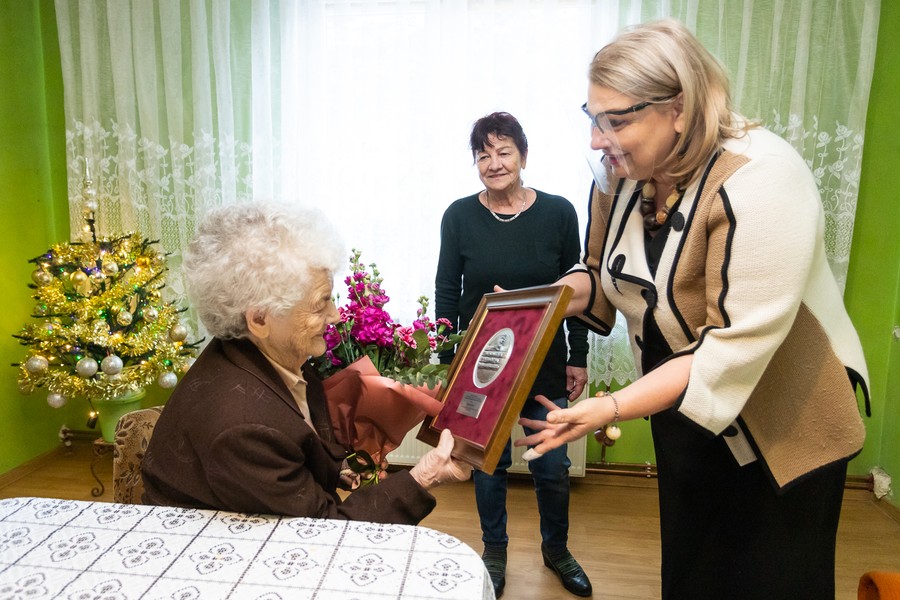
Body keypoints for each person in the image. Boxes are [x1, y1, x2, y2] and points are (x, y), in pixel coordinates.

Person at [516, 19, 869, 600]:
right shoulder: (621, 175)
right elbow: (600, 274)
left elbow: (729, 347)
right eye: (593, 118)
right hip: (683, 407)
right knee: (693, 572)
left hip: (783, 422)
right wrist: (538, 306)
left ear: (677, 108)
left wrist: (609, 407)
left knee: (769, 580)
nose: (598, 140)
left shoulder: (762, 178)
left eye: (616, 120)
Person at [142, 202, 470, 524]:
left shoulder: (270, 352)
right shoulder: (243, 428)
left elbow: (298, 436)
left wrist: (338, 468)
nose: (336, 315)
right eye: (320, 304)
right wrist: (424, 476)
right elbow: (325, 531)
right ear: (259, 318)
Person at [435, 112, 592, 598]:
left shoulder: (559, 212)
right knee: (489, 465)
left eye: (504, 152)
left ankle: (557, 550)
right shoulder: (459, 216)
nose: (494, 163)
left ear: (523, 156)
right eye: (483, 155)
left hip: (545, 361)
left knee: (552, 466)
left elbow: (579, 288)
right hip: (482, 368)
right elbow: (447, 291)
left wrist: (578, 355)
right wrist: (446, 361)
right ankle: (494, 552)